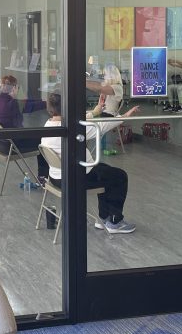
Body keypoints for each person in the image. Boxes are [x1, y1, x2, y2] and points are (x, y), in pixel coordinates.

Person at [41, 92, 139, 234]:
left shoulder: (49, 124)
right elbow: (102, 126)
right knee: (119, 176)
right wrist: (124, 116)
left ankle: (104, 218)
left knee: (105, 171)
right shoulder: (74, 129)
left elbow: (75, 121)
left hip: (56, 178)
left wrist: (94, 112)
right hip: (75, 178)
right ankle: (114, 222)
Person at [0, 75, 47, 182]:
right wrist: (47, 103)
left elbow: (24, 102)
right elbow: (29, 106)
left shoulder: (1, 100)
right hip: (12, 146)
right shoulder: (12, 104)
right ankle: (43, 177)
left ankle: (44, 176)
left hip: (2, 145)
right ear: (14, 88)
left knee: (39, 136)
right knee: (44, 142)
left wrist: (42, 99)